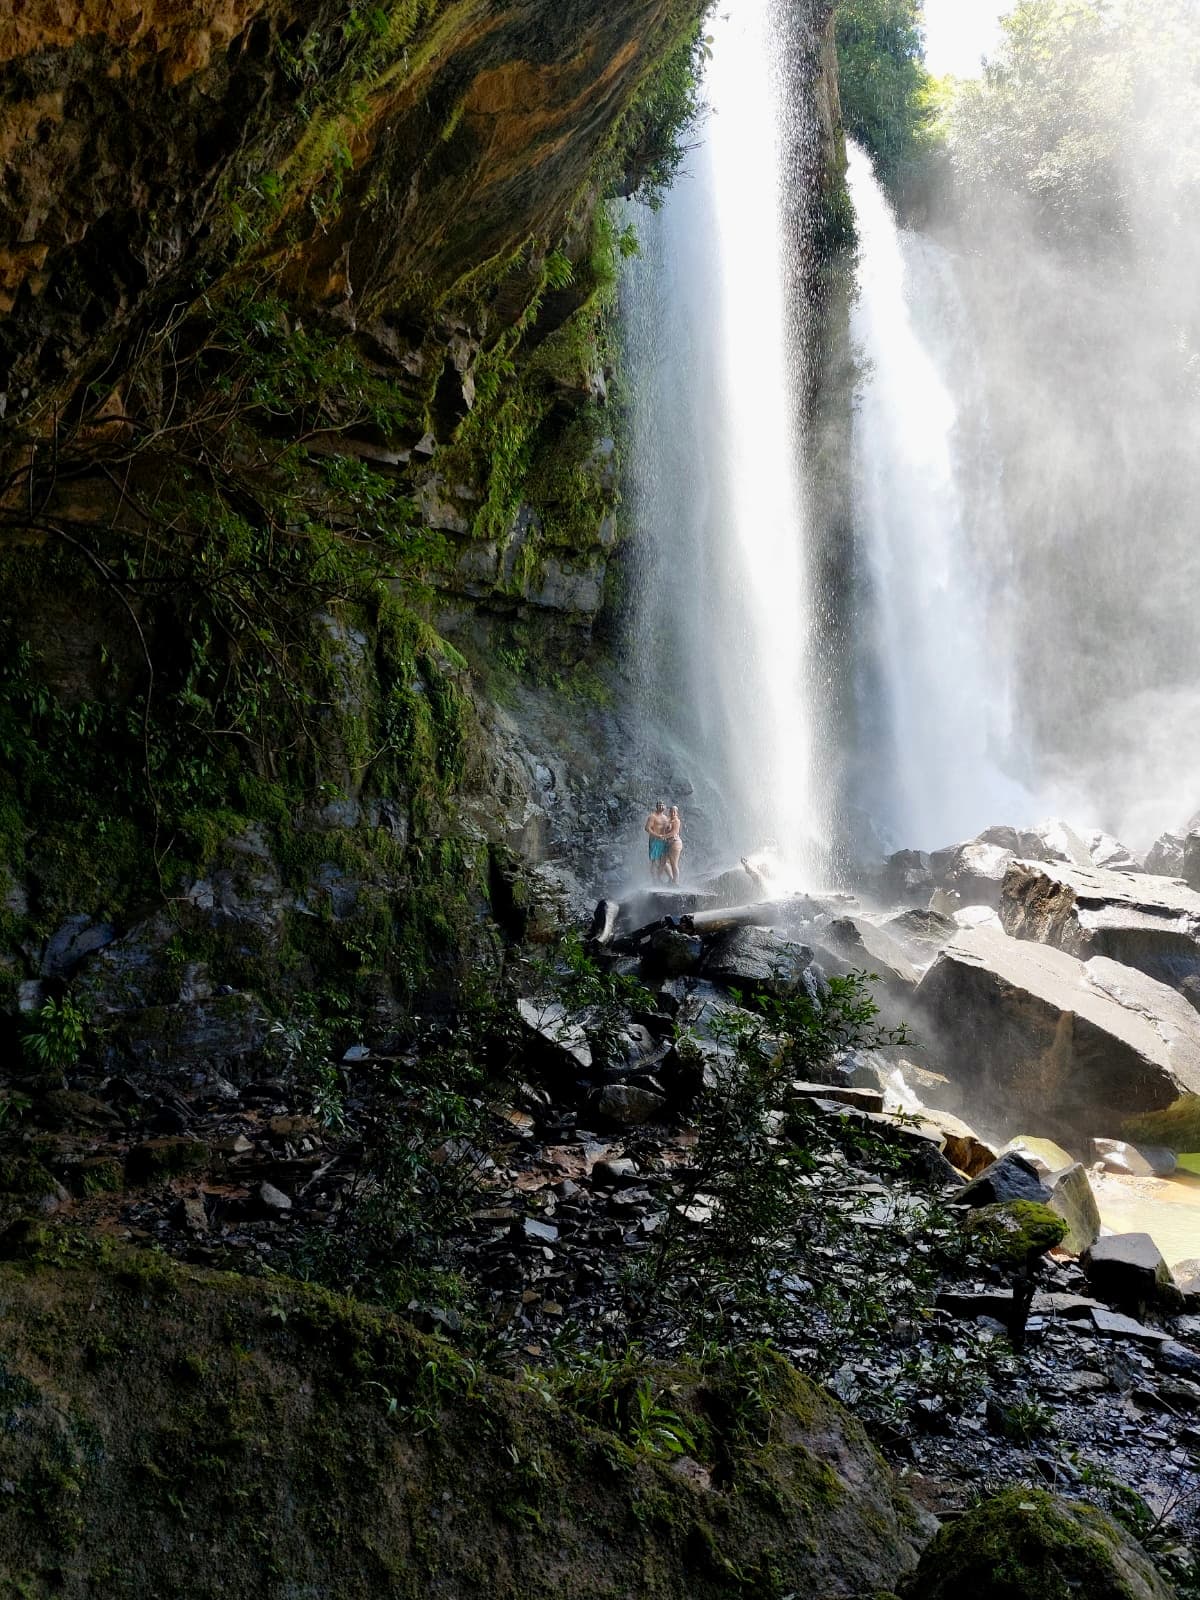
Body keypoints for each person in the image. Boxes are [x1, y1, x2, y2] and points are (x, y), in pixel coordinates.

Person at [644, 801, 669, 881]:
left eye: (662, 805)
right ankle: (654, 880)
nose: (661, 807)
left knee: (664, 860)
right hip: (654, 840)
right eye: (659, 805)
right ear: (656, 806)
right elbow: (647, 828)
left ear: (665, 807)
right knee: (654, 861)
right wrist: (657, 835)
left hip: (664, 841)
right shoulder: (652, 816)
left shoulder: (665, 817)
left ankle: (666, 878)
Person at [665, 805, 683, 884]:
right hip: (669, 843)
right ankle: (671, 878)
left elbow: (674, 832)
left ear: (677, 813)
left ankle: (675, 882)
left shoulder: (677, 821)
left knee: (674, 863)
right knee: (663, 861)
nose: (672, 813)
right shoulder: (669, 820)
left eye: (674, 812)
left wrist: (663, 836)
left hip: (675, 843)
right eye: (671, 811)